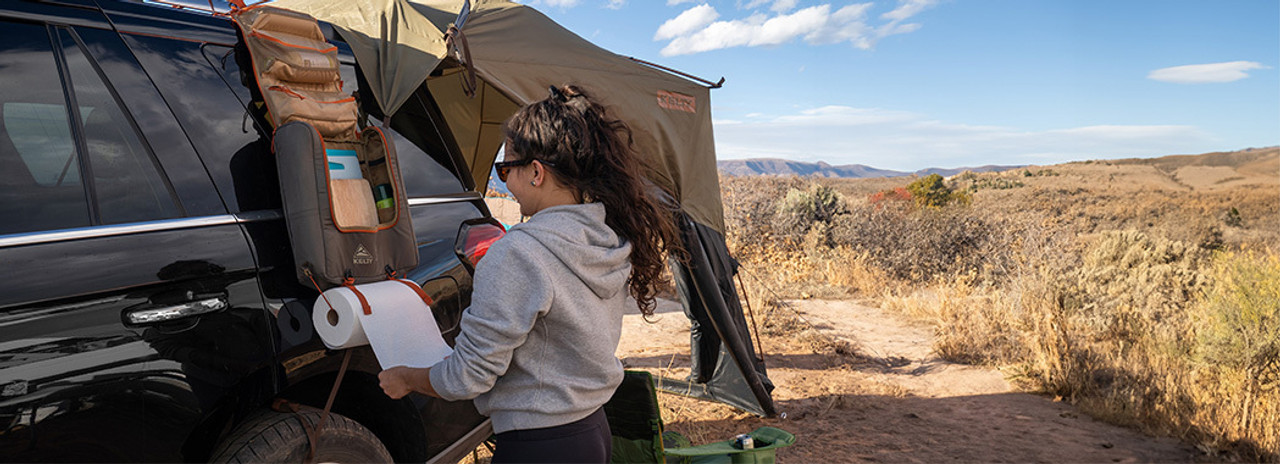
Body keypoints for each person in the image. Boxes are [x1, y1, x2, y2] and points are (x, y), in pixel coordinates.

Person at [378, 84, 682, 463]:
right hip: (592, 431)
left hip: (539, 445)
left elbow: (467, 377)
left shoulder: (520, 252)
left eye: (505, 169)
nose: (504, 183)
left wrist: (405, 378)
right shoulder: (604, 235)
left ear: (536, 172)